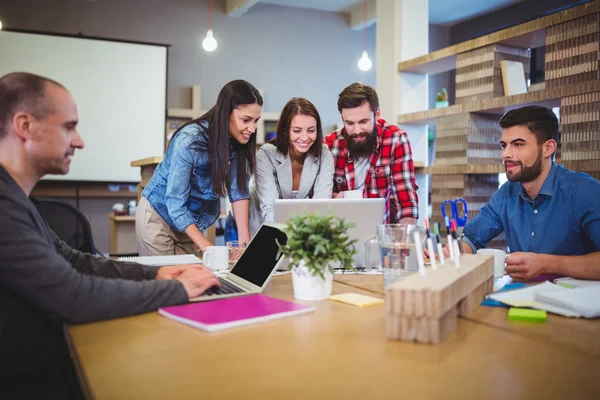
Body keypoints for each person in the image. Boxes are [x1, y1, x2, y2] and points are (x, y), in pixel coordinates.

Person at [0, 72, 220, 399]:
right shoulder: (5, 207)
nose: (79, 141)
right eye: (69, 126)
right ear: (25, 126)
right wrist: (177, 289)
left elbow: (75, 261)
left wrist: (156, 273)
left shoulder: (17, 200)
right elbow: (73, 296)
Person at [459, 105, 600, 280]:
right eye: (504, 145)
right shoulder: (507, 193)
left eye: (518, 144)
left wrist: (545, 264)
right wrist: (454, 251)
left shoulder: (584, 191)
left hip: (576, 303)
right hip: (521, 298)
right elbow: (472, 239)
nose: (506, 154)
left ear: (548, 148)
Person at [136, 80, 262, 256]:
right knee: (166, 280)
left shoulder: (240, 142)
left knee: (195, 280)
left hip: (189, 223)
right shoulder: (190, 140)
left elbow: (238, 191)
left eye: (256, 121)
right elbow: (175, 202)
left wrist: (244, 244)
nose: (252, 128)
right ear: (226, 114)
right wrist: (207, 247)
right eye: (246, 120)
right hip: (159, 216)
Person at [324, 82, 419, 224]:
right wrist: (333, 198)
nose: (356, 130)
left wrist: (402, 242)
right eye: (349, 123)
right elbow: (316, 199)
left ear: (377, 114)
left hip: (380, 234)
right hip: (338, 235)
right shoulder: (330, 145)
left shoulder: (396, 140)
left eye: (363, 121)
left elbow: (406, 206)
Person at [248, 97, 334, 235]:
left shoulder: (324, 155)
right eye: (297, 131)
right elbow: (270, 210)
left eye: (311, 130)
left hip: (291, 227)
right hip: (254, 223)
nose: (305, 138)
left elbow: (320, 206)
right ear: (285, 131)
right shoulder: (266, 155)